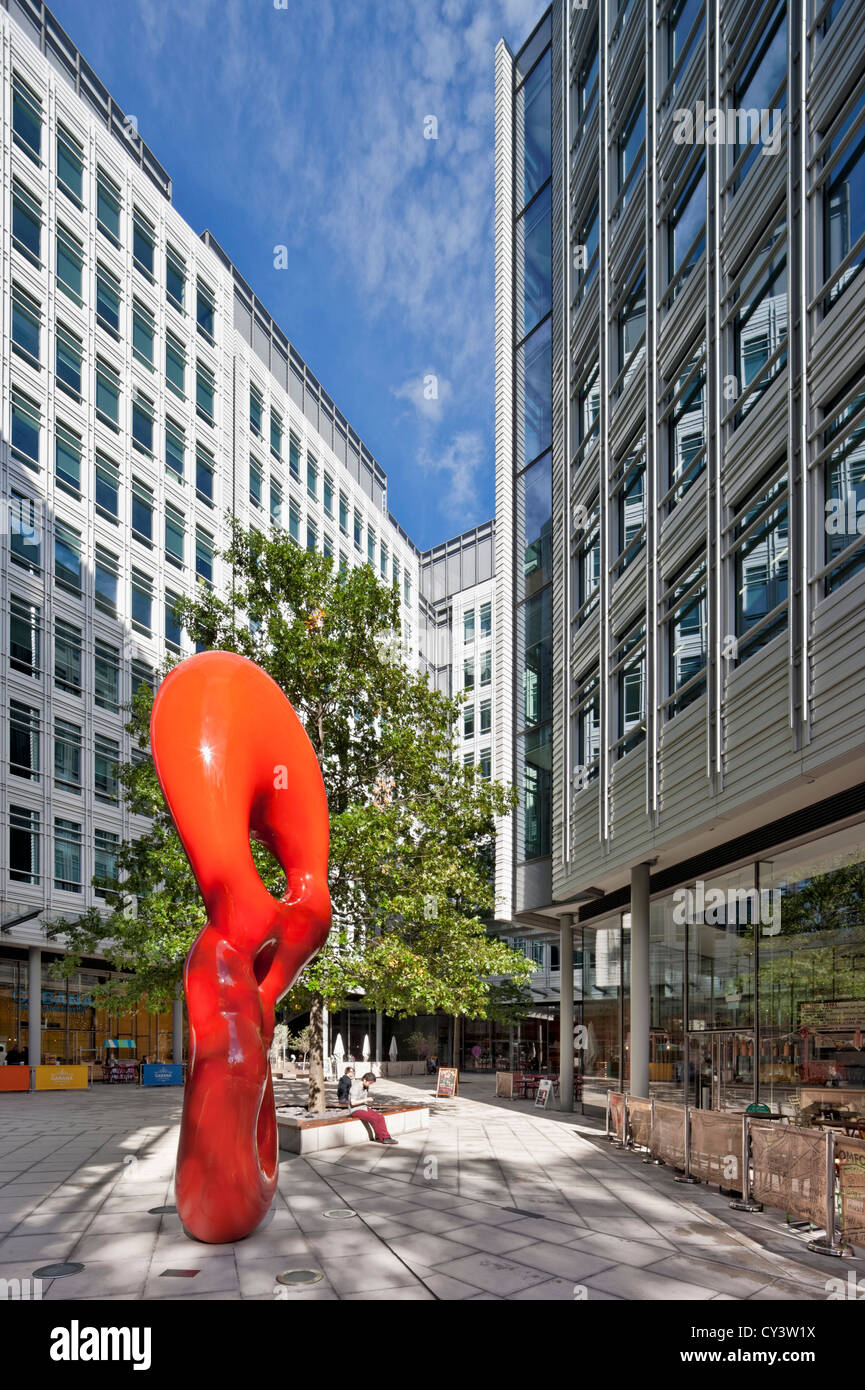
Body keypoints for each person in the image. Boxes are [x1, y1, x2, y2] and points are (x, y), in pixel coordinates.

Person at [349, 1071, 398, 1144]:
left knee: (380, 1117)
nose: (370, 1085)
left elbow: (361, 1100)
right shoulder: (355, 1087)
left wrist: (366, 1101)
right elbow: (353, 1103)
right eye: (370, 1083)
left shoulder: (365, 1086)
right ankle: (385, 1138)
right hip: (355, 1110)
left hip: (363, 1107)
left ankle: (382, 1136)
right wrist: (366, 1099)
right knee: (374, 1118)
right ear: (364, 1080)